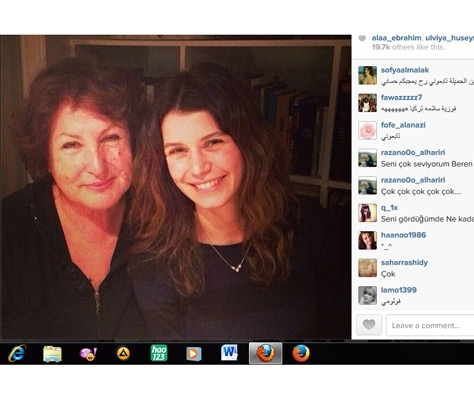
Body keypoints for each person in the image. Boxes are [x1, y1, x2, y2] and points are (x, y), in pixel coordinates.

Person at [128, 63, 349, 340]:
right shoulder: (153, 262)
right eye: (178, 151)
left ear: (248, 143)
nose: (198, 168)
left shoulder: (311, 228)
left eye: (213, 143)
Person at [2, 57, 148, 339]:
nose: (97, 166)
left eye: (111, 138)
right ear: (46, 156)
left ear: (134, 139)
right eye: (71, 145)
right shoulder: (9, 231)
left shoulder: (163, 217)